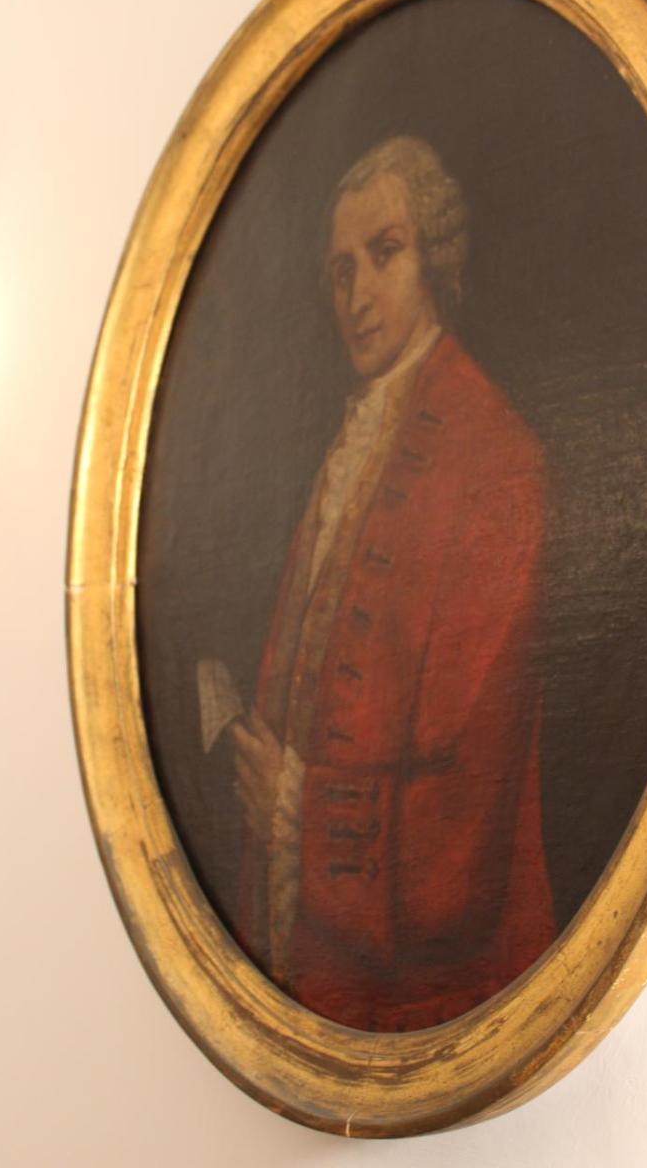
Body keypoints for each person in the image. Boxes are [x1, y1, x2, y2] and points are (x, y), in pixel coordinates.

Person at [230, 136, 555, 1031]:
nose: (357, 297)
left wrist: (299, 809)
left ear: (435, 258)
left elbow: (466, 808)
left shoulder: (492, 456)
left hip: (426, 994)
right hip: (318, 965)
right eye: (341, 271)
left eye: (384, 253)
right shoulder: (358, 435)